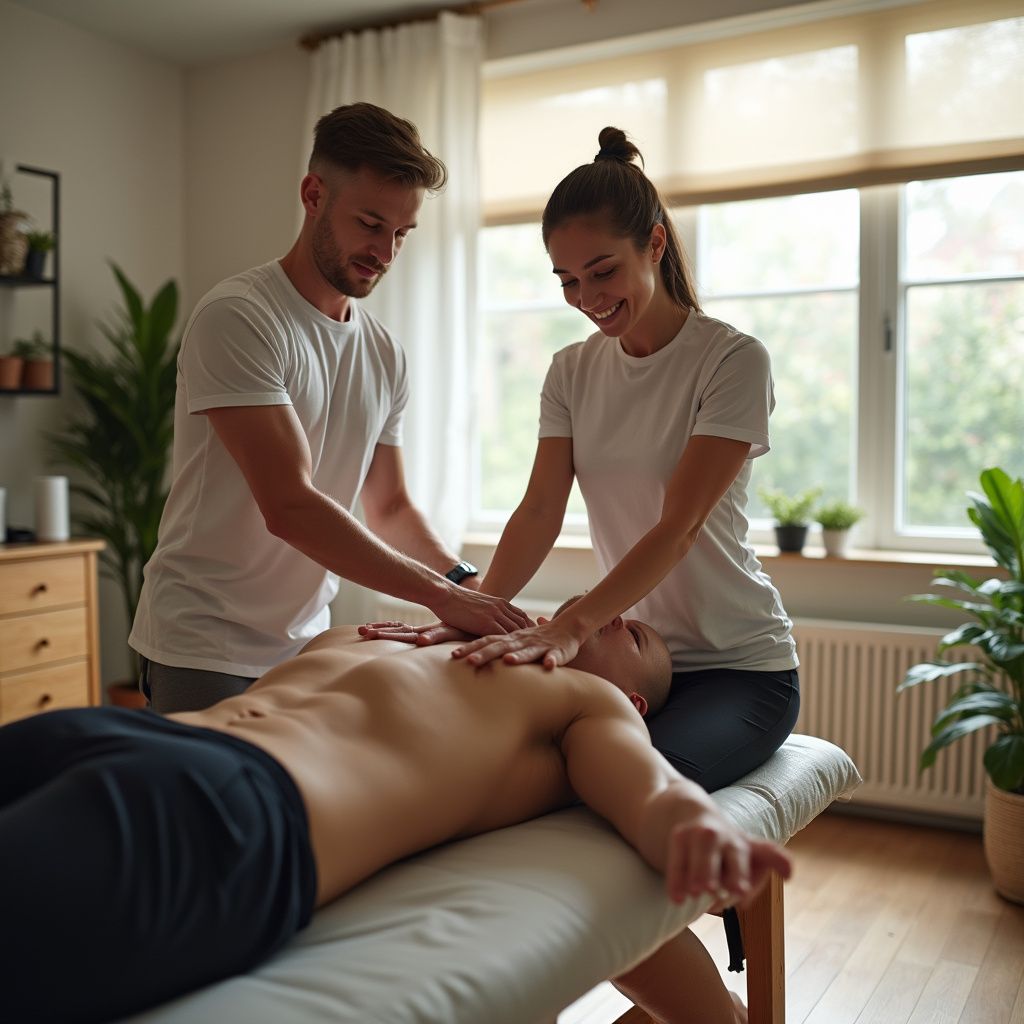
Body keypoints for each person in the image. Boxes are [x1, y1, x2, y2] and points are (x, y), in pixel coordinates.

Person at [1, 617, 790, 1024]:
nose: (609, 616)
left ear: (638, 697)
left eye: (634, 632)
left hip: (230, 804)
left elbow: (652, 792)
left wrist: (697, 827)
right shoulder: (405, 636)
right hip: (119, 730)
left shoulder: (588, 704)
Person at [366, 125, 800, 795]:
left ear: (654, 243)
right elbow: (540, 510)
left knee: (637, 782)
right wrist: (466, 609)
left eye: (603, 272)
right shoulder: (571, 371)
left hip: (737, 668)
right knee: (510, 763)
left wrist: (572, 627)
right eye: (567, 280)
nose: (587, 299)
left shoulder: (731, 360)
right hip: (631, 665)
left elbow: (677, 527)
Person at [129, 102, 529, 713]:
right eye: (370, 224)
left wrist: (464, 582)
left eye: (401, 233)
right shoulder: (240, 317)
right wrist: (446, 602)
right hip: (203, 644)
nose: (386, 252)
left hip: (309, 646)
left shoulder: (384, 352)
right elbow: (288, 505)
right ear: (313, 194)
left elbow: (389, 505)